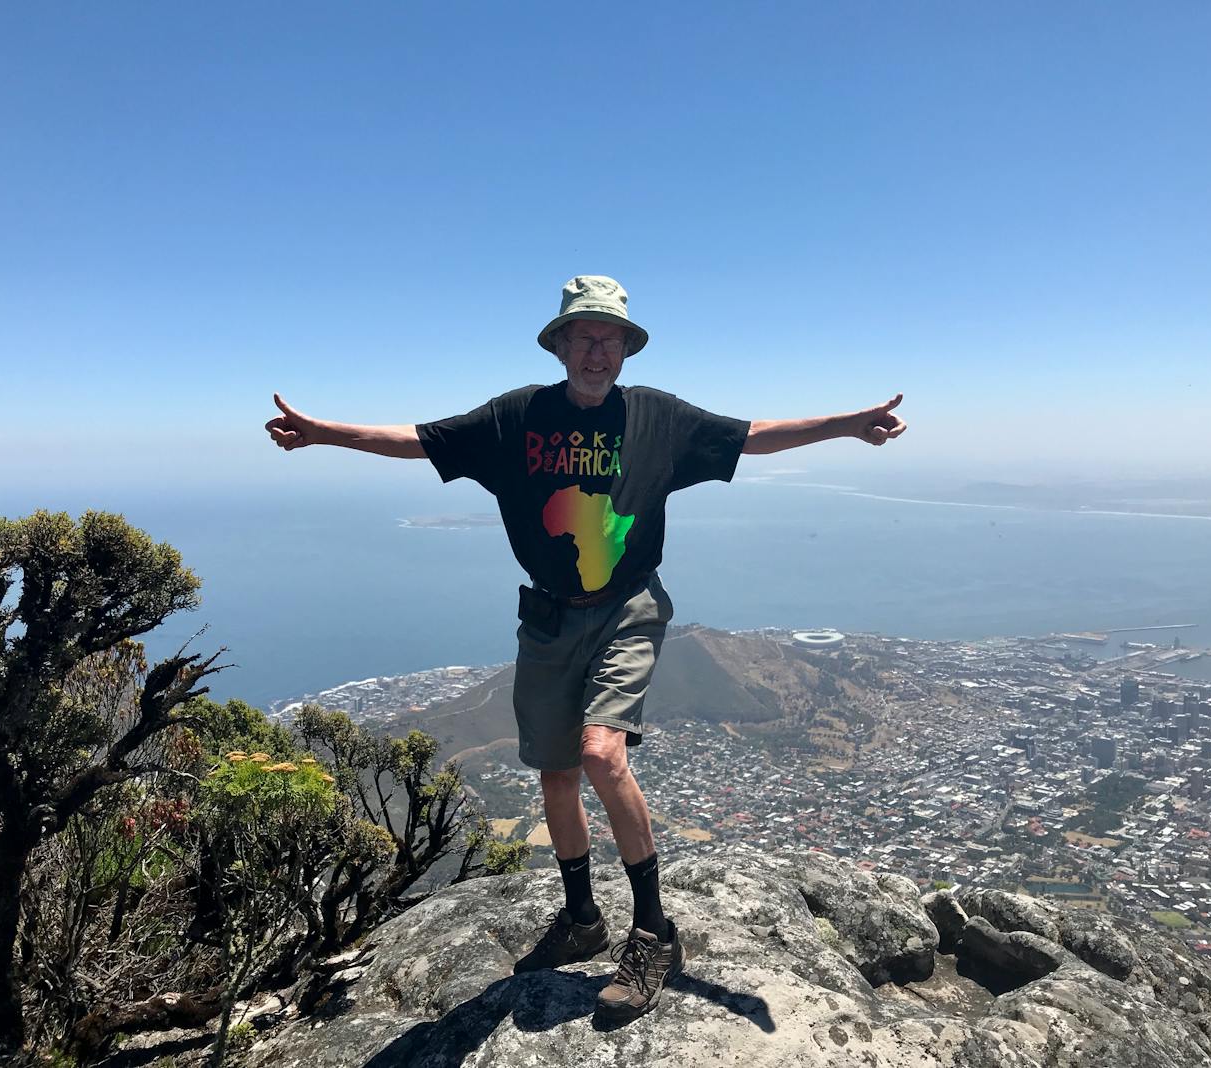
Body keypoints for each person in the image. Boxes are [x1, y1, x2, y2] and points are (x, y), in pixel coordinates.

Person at [265, 274, 906, 1021]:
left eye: (612, 339)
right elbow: (418, 441)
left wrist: (847, 424)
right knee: (557, 773)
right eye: (585, 336)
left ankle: (653, 932)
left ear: (625, 348)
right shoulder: (517, 417)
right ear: (562, 343)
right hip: (547, 619)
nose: (598, 351)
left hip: (628, 606)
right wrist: (323, 433)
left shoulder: (658, 418)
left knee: (604, 754)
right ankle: (580, 918)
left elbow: (752, 435)